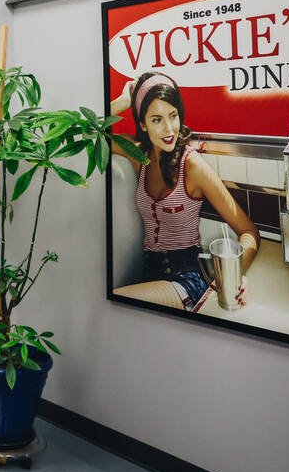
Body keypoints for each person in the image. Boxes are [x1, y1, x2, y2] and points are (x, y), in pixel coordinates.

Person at [110, 71, 259, 312]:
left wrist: (236, 273)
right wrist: (120, 103)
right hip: (148, 275)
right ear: (143, 125)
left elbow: (248, 231)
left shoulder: (192, 166)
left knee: (112, 303)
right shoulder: (137, 155)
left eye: (173, 116)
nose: (169, 128)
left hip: (187, 279)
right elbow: (84, 133)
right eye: (157, 119)